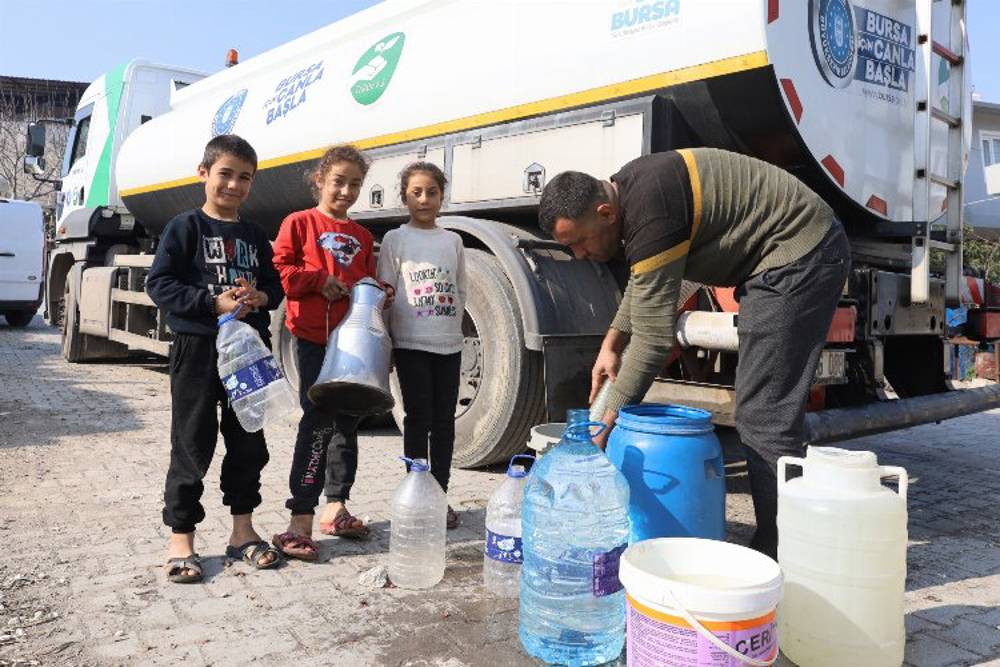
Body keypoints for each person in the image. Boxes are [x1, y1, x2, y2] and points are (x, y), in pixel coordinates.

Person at [538, 147, 850, 559]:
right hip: (779, 262)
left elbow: (652, 341)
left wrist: (603, 424)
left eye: (578, 242)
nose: (579, 255)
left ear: (605, 213)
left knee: (765, 414)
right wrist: (612, 342)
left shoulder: (651, 205)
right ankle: (793, 539)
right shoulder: (631, 191)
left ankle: (785, 554)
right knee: (765, 409)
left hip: (799, 256)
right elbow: (646, 278)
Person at [147, 134, 286, 583]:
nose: (234, 185)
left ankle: (242, 533)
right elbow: (160, 284)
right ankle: (181, 539)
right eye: (225, 173)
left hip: (247, 353)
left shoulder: (253, 236)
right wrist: (213, 303)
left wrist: (261, 295)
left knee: (249, 443)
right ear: (203, 173)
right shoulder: (184, 227)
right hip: (198, 350)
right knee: (191, 442)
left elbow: (274, 286)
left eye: (244, 178)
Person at [270, 144, 392, 560]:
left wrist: (380, 294)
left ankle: (336, 506)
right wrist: (319, 281)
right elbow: (282, 271)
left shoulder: (361, 235)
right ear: (319, 180)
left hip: (353, 344)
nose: (346, 191)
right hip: (313, 339)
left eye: (355, 184)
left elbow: (367, 283)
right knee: (318, 420)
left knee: (348, 421)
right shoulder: (299, 223)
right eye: (338, 181)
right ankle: (299, 518)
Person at [377, 162, 467, 529]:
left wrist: (453, 328)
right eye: (416, 192)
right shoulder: (396, 240)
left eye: (432, 191)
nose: (425, 199)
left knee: (445, 423)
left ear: (442, 196)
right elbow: (385, 291)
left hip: (448, 344)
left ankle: (440, 497)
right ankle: (416, 495)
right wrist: (386, 345)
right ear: (405, 197)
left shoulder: (453, 241)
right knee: (418, 419)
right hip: (411, 344)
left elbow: (461, 289)